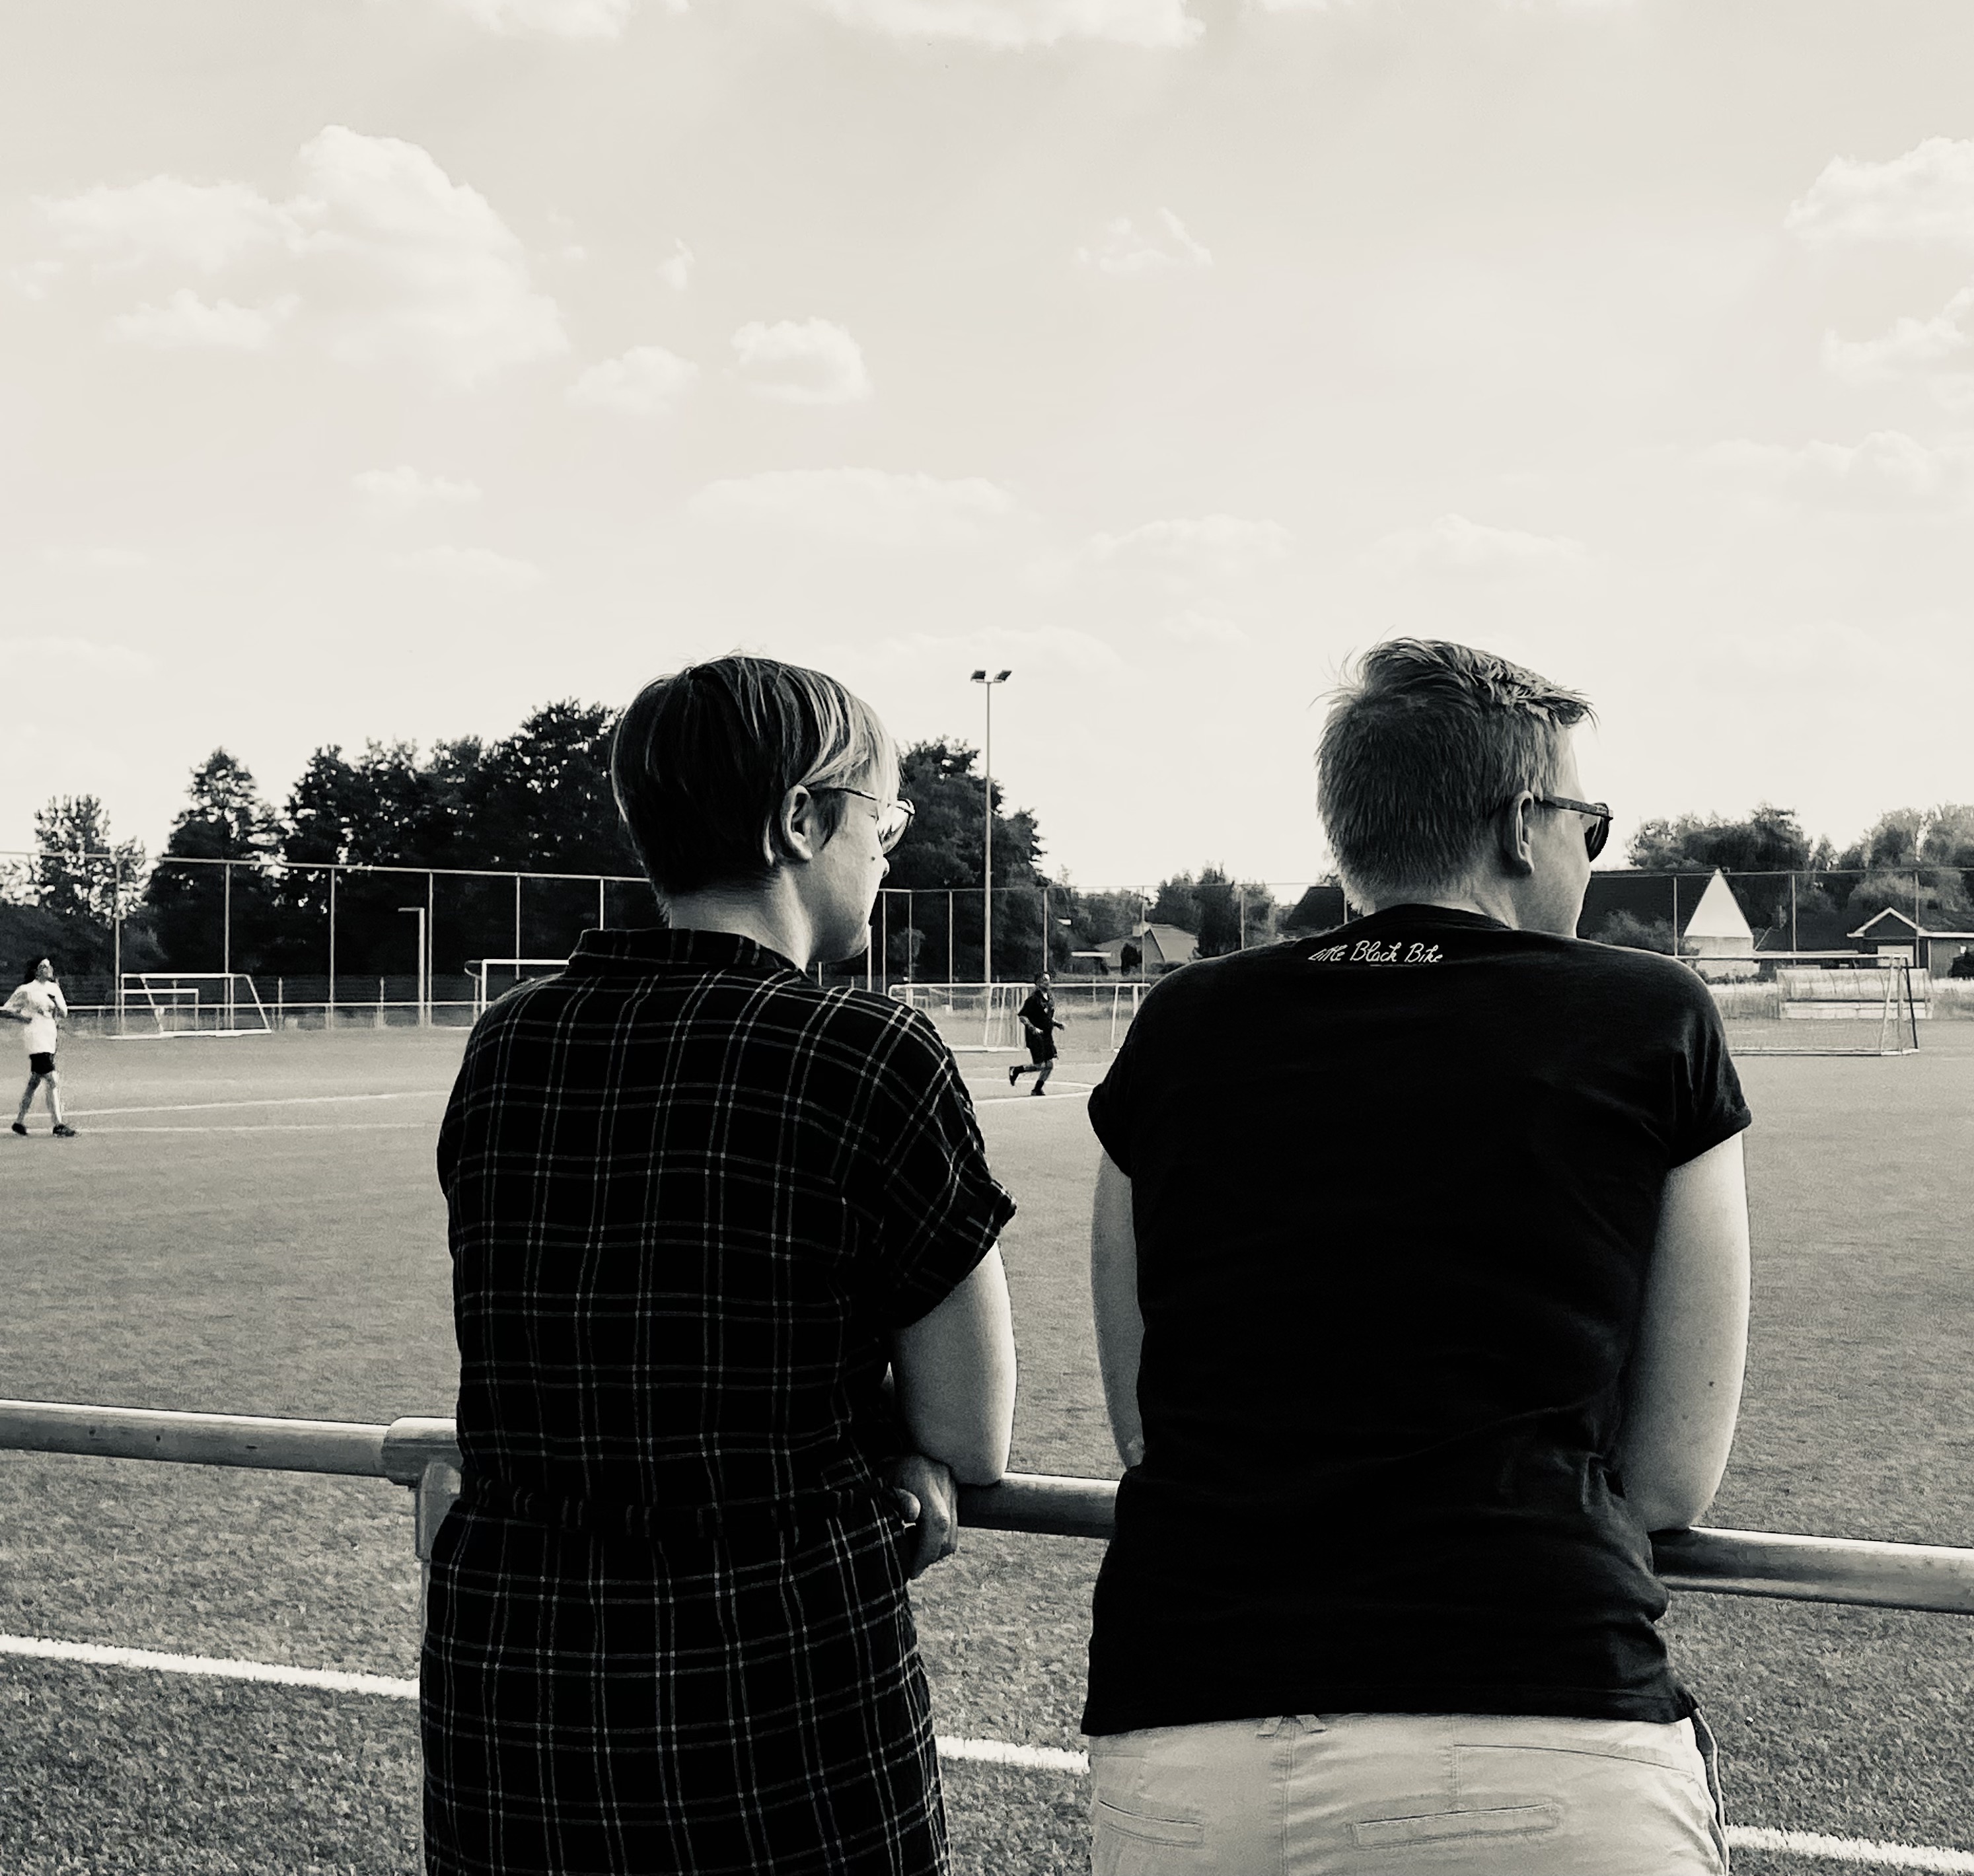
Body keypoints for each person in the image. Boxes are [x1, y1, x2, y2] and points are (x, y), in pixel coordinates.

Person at [1082, 637, 1751, 1875]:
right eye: (1591, 824)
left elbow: (1142, 1423)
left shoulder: (1180, 1024)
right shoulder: (1648, 1012)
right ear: (1519, 826)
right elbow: (1670, 1479)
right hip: (1536, 1705)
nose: (1591, 855)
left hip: (1188, 1724)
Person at [424, 655, 1019, 1876]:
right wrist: (893, 1451)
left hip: (513, 1700)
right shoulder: (869, 1051)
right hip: (779, 1697)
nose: (889, 849)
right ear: (801, 819)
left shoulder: (508, 1041)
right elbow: (971, 1435)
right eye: (885, 817)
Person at [6, 956, 76, 1137]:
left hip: (49, 1037)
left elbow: (64, 1012)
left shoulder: (54, 988)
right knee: (52, 1079)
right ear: (36, 971)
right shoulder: (27, 990)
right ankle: (58, 1124)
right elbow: (7, 1009)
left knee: (35, 1081)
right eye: (44, 967)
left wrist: (55, 1003)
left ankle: (19, 1121)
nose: (48, 969)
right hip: (35, 1038)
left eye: (49, 966)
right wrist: (23, 1017)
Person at [1007, 972, 1060, 1095]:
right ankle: (1017, 1070)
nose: (1047, 982)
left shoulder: (1050, 999)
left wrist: (1057, 1024)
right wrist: (1033, 1028)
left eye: (1048, 980)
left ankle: (1037, 1089)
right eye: (1044, 980)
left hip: (1047, 1037)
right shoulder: (1033, 1000)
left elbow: (1047, 1017)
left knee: (1049, 1065)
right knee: (1040, 1065)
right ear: (1038, 983)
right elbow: (1023, 1016)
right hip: (1036, 1037)